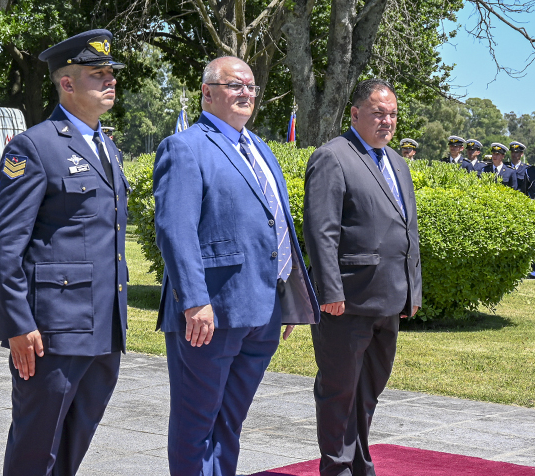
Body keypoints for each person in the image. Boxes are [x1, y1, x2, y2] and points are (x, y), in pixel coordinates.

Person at [153, 56, 320, 476]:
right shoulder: (184, 147)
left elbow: (274, 225)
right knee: (196, 424)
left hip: (263, 312)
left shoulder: (260, 148)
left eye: (251, 86)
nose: (246, 93)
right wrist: (195, 301)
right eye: (235, 85)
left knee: (230, 423)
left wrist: (287, 296)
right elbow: (175, 230)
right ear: (207, 92)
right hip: (210, 315)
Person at [0, 29, 129, 476]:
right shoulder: (35, 146)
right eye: (97, 74)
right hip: (53, 329)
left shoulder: (108, 148)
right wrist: (17, 324)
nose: (110, 80)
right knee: (36, 448)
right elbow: (4, 244)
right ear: (67, 83)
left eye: (111, 73)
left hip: (104, 327)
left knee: (72, 447)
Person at [303, 79, 422, 476]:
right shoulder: (333, 157)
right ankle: (337, 468)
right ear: (355, 114)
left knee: (368, 392)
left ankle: (359, 465)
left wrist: (413, 290)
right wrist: (329, 290)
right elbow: (321, 231)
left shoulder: (397, 162)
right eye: (378, 113)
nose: (387, 121)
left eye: (392, 114)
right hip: (347, 301)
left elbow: (408, 231)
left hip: (389, 299)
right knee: (339, 391)